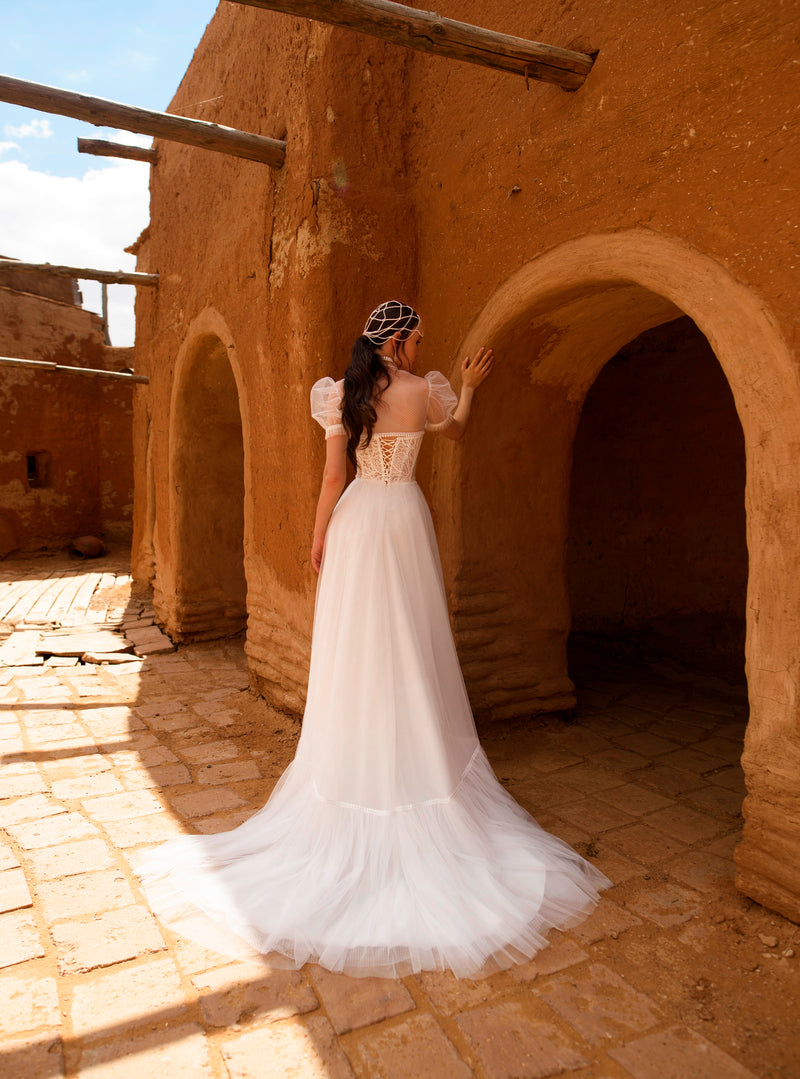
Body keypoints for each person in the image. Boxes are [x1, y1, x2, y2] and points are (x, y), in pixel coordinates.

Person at [136, 301, 609, 979]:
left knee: (358, 645)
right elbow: (460, 430)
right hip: (402, 518)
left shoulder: (345, 393)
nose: (421, 349)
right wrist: (469, 385)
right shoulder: (422, 393)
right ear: (396, 339)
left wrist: (318, 533)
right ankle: (410, 758)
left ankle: (359, 755)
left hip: (360, 519)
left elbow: (335, 476)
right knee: (407, 640)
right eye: (417, 338)